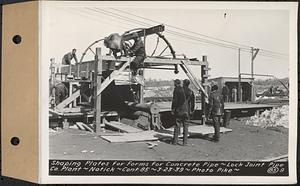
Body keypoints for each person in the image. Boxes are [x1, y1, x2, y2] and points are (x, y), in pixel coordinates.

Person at [171, 79, 189, 146]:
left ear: (176, 83)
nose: (173, 84)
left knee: (177, 125)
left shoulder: (176, 90)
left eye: (174, 83)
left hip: (179, 110)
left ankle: (175, 142)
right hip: (186, 111)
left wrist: (173, 109)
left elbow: (175, 101)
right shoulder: (186, 90)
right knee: (186, 126)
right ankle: (185, 142)